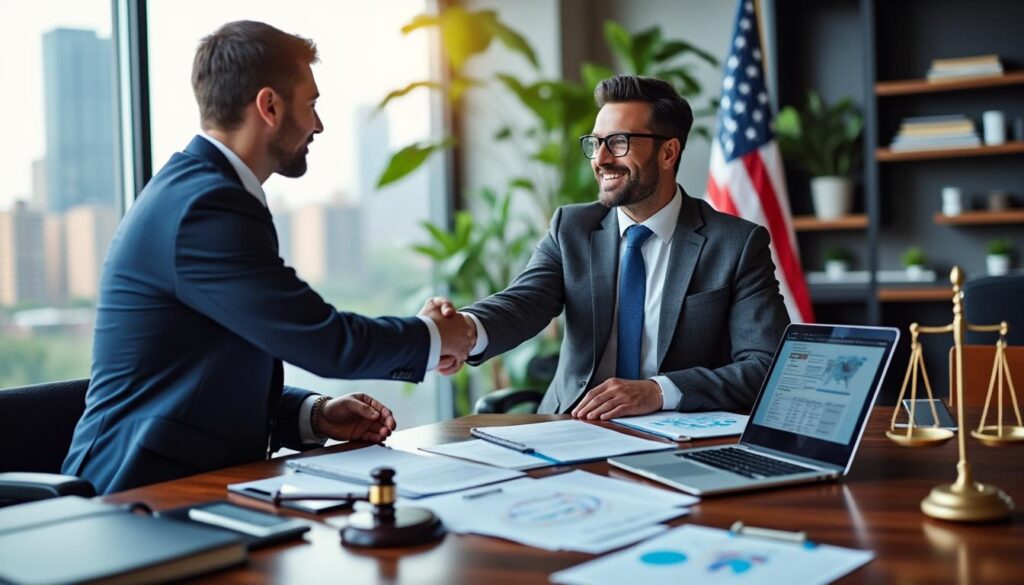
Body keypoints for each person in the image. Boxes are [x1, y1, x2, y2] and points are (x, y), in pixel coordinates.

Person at [62, 21, 474, 494]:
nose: (318, 124)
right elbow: (321, 339)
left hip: (198, 487)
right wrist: (434, 336)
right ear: (270, 106)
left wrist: (312, 416)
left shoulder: (209, 192)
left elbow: (209, 372)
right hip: (134, 497)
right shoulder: (204, 206)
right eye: (312, 103)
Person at [432, 74, 789, 420]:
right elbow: (525, 302)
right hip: (571, 426)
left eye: (618, 142)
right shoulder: (571, 228)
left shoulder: (736, 244)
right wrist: (465, 330)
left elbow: (765, 364)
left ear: (668, 152)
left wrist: (658, 391)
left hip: (672, 436)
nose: (600, 159)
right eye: (595, 142)